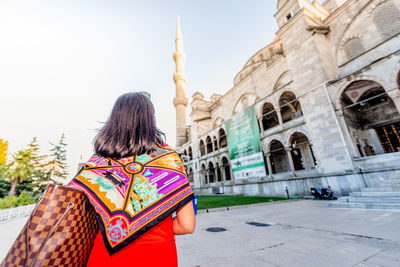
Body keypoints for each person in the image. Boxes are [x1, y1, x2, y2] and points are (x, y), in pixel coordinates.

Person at [69, 92, 195, 267]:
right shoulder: (168, 159)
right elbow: (187, 225)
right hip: (157, 255)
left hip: (105, 253)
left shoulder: (98, 161)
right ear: (151, 122)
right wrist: (147, 225)